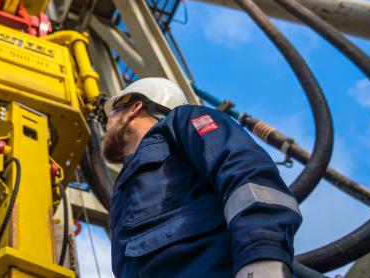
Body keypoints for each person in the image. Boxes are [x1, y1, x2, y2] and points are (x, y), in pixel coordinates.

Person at [103, 77, 302, 278]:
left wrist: (262, 256)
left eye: (113, 112)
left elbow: (246, 175)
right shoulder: (124, 185)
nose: (106, 123)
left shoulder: (182, 120)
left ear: (135, 108)